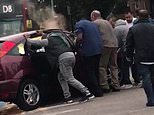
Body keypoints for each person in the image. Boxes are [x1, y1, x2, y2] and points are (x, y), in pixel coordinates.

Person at [24, 30, 95, 103]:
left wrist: (27, 39)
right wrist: (42, 33)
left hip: (63, 58)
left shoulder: (49, 40)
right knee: (61, 77)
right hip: (71, 55)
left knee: (69, 78)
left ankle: (87, 93)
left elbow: (38, 43)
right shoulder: (59, 37)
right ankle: (67, 97)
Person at [125, 9, 154, 107]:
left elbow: (129, 45)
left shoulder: (133, 29)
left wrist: (128, 56)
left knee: (146, 78)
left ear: (138, 17)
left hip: (141, 57)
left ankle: (151, 99)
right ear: (148, 16)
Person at [90, 10, 120, 92]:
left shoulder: (95, 23)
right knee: (114, 66)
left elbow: (94, 35)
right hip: (114, 44)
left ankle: (104, 86)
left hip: (105, 45)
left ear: (93, 16)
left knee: (102, 66)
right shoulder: (106, 22)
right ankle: (116, 85)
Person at [75, 19, 103, 97]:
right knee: (96, 70)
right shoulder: (93, 24)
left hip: (88, 51)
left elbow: (80, 37)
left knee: (90, 72)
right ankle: (99, 90)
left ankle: (95, 91)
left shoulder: (79, 25)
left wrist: (76, 43)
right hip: (98, 49)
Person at [114, 19, 133, 89]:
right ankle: (137, 80)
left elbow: (117, 41)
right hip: (130, 48)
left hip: (123, 49)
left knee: (124, 66)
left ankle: (126, 81)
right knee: (132, 65)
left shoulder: (116, 29)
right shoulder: (127, 27)